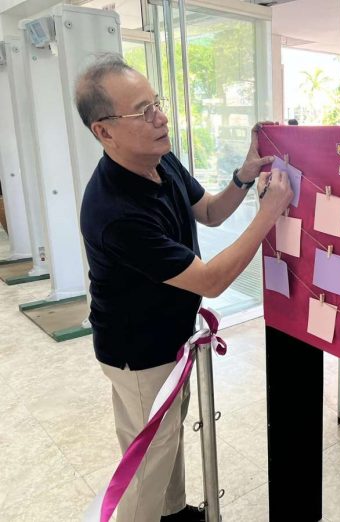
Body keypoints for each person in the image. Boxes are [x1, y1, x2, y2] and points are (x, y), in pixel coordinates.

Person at [75, 54, 293, 522]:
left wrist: (244, 175)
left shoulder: (160, 157)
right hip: (138, 352)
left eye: (157, 102)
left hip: (171, 338)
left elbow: (210, 211)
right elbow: (212, 281)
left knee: (167, 437)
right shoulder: (115, 211)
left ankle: (173, 514)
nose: (161, 117)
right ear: (104, 131)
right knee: (147, 462)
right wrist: (268, 214)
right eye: (142, 111)